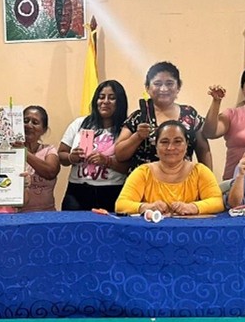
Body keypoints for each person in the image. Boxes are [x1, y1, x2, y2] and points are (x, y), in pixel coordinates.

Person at [114, 61, 213, 173]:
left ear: (178, 86)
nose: (163, 89)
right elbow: (119, 155)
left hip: (184, 180)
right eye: (157, 84)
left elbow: (203, 150)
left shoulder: (190, 114)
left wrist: (208, 179)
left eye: (169, 83)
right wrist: (137, 137)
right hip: (144, 181)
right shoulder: (138, 117)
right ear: (147, 87)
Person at [115, 120, 223, 216]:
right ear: (156, 146)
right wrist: (146, 207)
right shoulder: (143, 172)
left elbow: (217, 202)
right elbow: (121, 205)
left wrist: (193, 207)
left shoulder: (200, 171)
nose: (170, 148)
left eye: (177, 141)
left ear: (186, 145)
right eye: (164, 142)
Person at [58, 80, 130, 211]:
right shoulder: (79, 123)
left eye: (112, 98)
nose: (105, 101)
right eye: (101, 97)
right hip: (77, 191)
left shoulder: (127, 129)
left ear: (120, 102)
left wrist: (107, 161)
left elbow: (130, 167)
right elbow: (61, 154)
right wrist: (71, 157)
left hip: (112, 191)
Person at [19, 105, 60, 212]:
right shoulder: (10, 151)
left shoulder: (49, 150)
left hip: (47, 213)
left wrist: (24, 152)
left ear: (44, 130)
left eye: (35, 122)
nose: (29, 125)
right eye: (25, 121)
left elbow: (50, 172)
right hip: (18, 214)